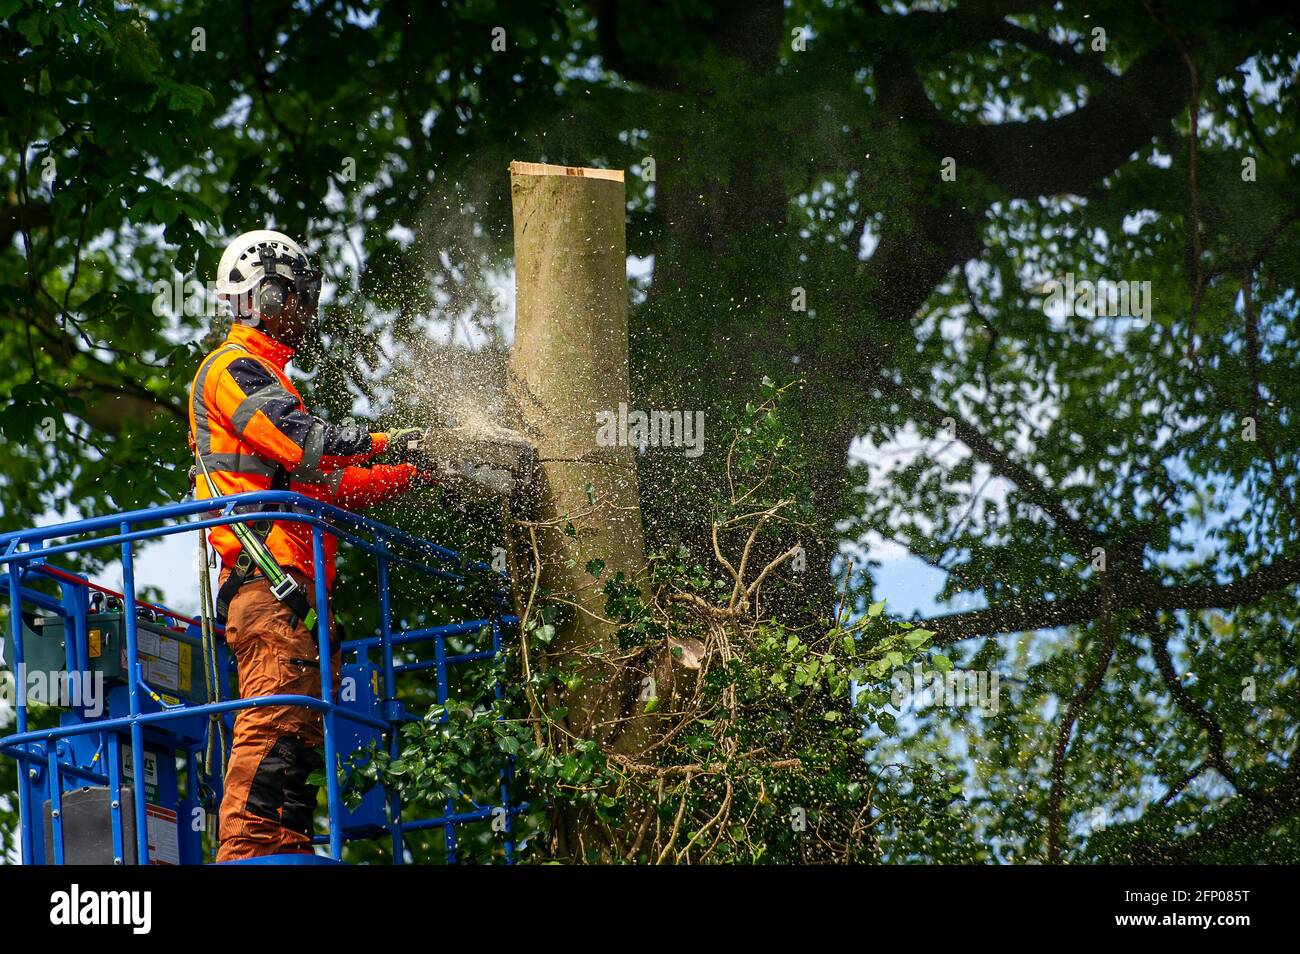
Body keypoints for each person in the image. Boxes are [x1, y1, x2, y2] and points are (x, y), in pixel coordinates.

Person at [189, 229, 423, 861]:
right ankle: (248, 855)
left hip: (294, 597)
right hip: (266, 585)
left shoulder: (274, 382)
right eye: (300, 297)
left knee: (295, 737)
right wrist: (391, 441)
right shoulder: (233, 370)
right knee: (271, 726)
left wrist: (427, 465)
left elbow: (334, 482)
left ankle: (283, 848)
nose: (309, 312)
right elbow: (305, 443)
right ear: (266, 296)